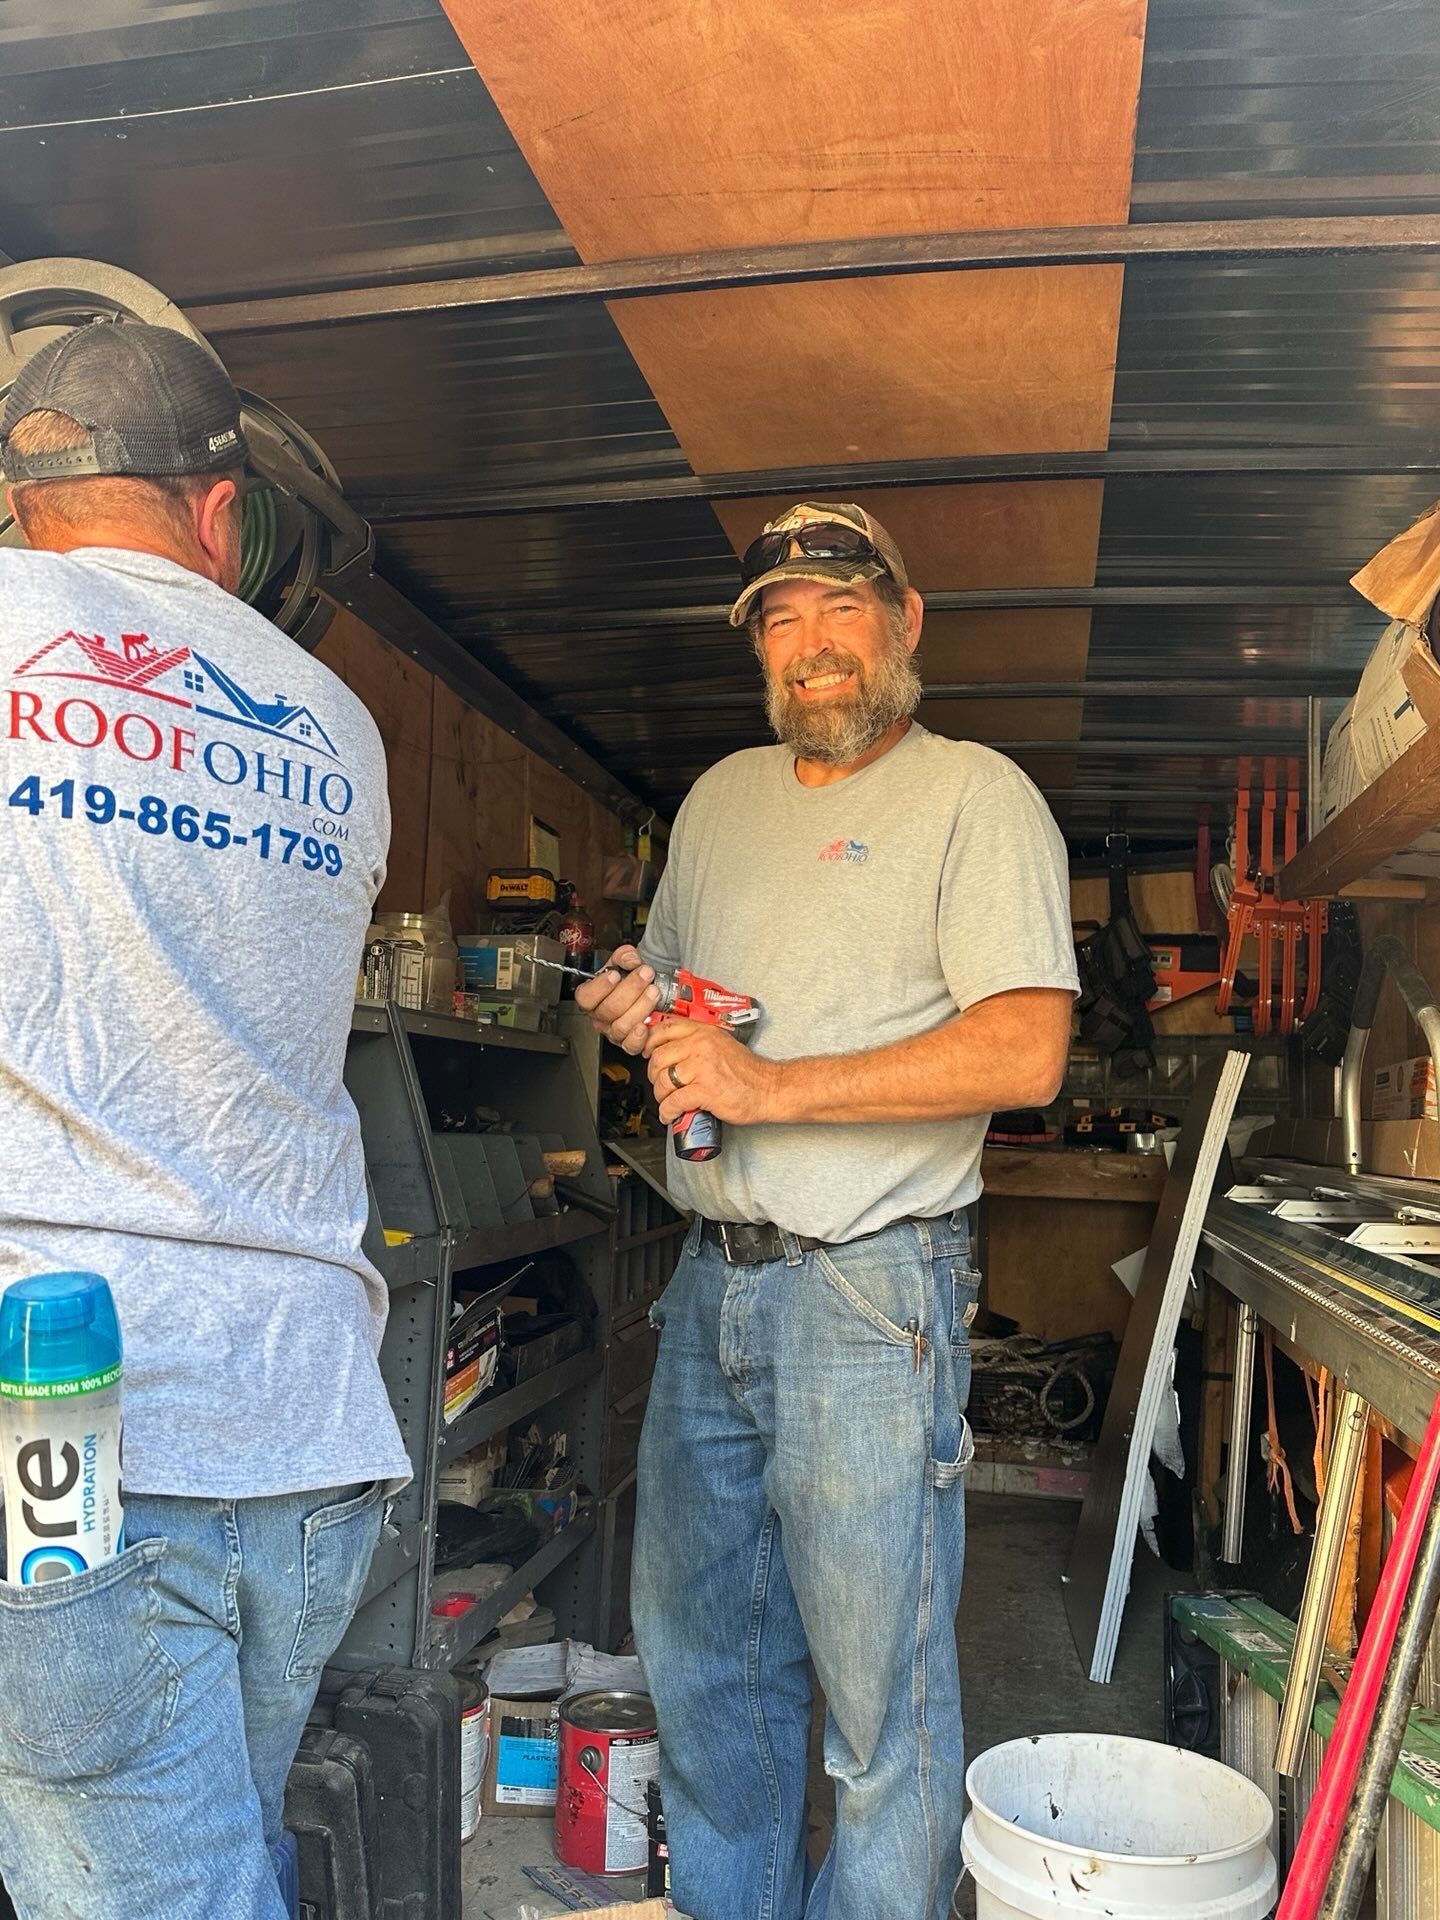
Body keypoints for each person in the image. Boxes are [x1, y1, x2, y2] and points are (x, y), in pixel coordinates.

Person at [577, 502, 1079, 1920]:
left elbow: (1022, 1052)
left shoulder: (978, 796)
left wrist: (770, 1085)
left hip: (873, 1287)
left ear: (905, 621)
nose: (813, 647)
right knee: (706, 1668)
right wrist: (642, 1010)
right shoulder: (722, 800)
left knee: (880, 1697)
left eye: (841, 609)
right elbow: (683, 1004)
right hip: (710, 1283)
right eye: (782, 622)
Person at [0, 323, 409, 1920]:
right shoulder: (338, 728)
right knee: (197, 1851)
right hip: (307, 1420)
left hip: (74, 1423)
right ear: (219, 509)